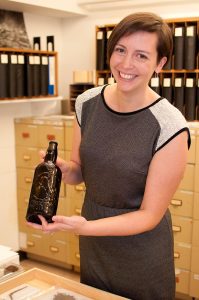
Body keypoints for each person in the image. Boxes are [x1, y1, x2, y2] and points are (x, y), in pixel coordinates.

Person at [28, 12, 191, 300]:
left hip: (140, 251)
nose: (126, 64)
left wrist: (86, 227)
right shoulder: (87, 103)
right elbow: (80, 171)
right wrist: (67, 170)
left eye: (141, 55)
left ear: (160, 64)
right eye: (120, 50)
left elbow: (150, 215)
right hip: (94, 242)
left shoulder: (170, 125)